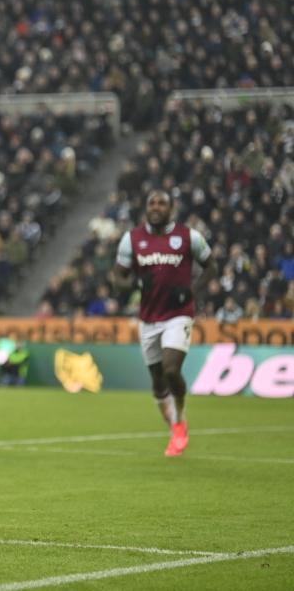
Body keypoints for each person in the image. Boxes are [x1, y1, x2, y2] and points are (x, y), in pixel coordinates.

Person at [112, 191, 216, 457]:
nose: (156, 207)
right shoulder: (131, 239)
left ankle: (180, 419)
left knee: (171, 370)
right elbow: (118, 278)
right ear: (146, 208)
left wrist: (192, 290)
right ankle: (173, 427)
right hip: (148, 319)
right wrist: (135, 283)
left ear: (172, 208)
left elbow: (211, 267)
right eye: (152, 203)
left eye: (162, 203)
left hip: (178, 314)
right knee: (158, 381)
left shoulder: (188, 237)